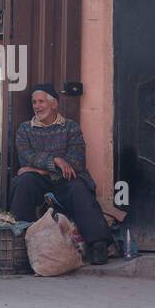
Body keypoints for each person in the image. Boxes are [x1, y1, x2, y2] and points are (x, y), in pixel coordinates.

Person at [9, 83, 111, 265]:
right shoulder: (25, 129)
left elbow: (75, 161)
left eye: (41, 102)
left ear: (54, 104)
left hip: (65, 181)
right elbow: (26, 157)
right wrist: (55, 161)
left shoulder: (71, 128)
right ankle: (17, 243)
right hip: (40, 181)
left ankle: (98, 245)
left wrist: (40, 168)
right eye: (34, 102)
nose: (37, 106)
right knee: (24, 182)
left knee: (79, 188)